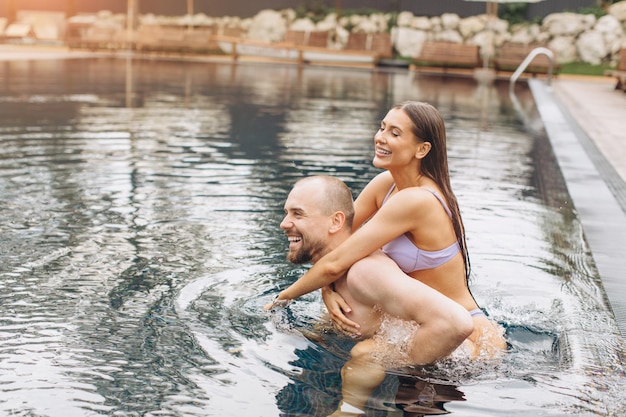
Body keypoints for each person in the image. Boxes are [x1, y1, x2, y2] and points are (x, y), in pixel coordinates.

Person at [267, 101, 506, 359]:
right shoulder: (387, 184)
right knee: (330, 330)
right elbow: (336, 240)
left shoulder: (417, 201)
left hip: (465, 338)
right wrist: (327, 291)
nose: (381, 138)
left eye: (395, 133)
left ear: (422, 149)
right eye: (382, 128)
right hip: (423, 323)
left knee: (365, 359)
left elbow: (335, 263)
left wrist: (282, 299)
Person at [266, 175, 473, 415]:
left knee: (364, 354)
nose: (284, 223)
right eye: (286, 212)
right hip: (424, 370)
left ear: (335, 222)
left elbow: (455, 324)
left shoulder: (363, 272)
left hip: (445, 376)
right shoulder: (336, 275)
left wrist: (379, 358)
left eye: (298, 214)